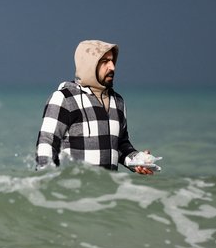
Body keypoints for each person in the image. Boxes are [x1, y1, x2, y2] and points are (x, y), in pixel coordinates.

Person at [35, 39, 154, 174]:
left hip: (107, 192)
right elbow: (46, 145)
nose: (112, 67)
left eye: (112, 61)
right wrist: (45, 183)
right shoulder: (64, 98)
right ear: (89, 65)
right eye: (104, 62)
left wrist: (137, 160)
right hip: (72, 191)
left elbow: (120, 144)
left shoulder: (118, 101)